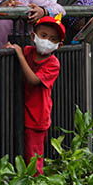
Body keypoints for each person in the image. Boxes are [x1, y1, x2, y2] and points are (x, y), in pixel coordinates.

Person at [5, 15, 64, 175]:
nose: (46, 41)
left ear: (59, 45)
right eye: (43, 36)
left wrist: (19, 56)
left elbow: (33, 79)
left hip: (37, 116)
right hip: (22, 109)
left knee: (33, 158)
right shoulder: (28, 51)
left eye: (53, 39)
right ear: (33, 36)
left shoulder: (53, 63)